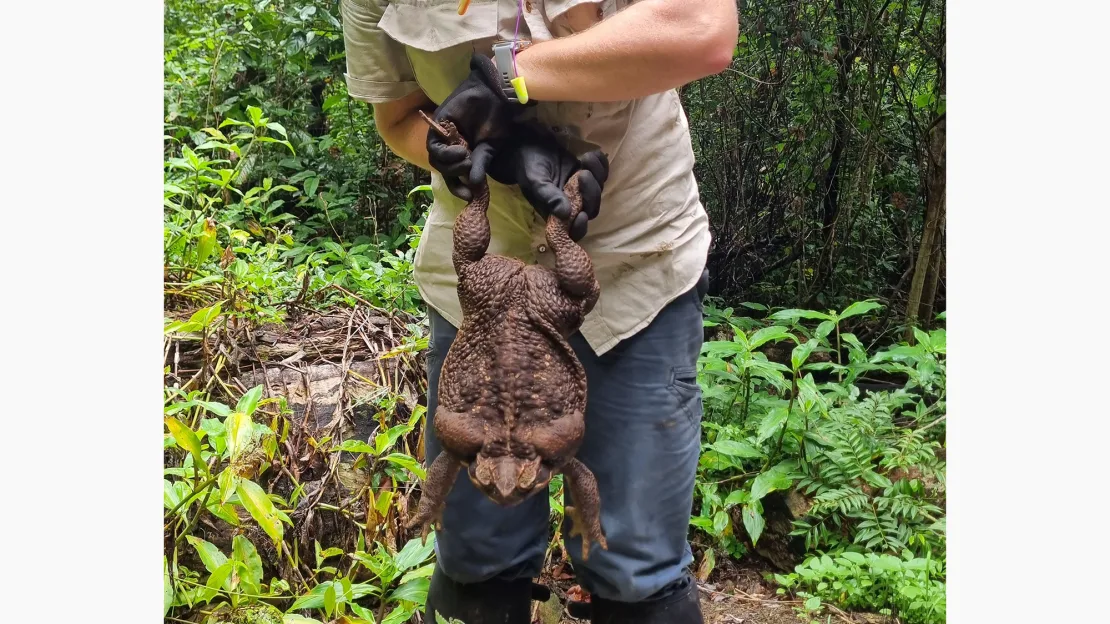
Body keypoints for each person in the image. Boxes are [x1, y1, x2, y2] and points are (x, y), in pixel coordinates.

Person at [340, 1, 738, 622]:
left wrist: (511, 75)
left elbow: (704, 32)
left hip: (634, 261)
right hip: (481, 280)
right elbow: (396, 117)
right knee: (475, 557)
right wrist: (466, 149)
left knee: (635, 563)